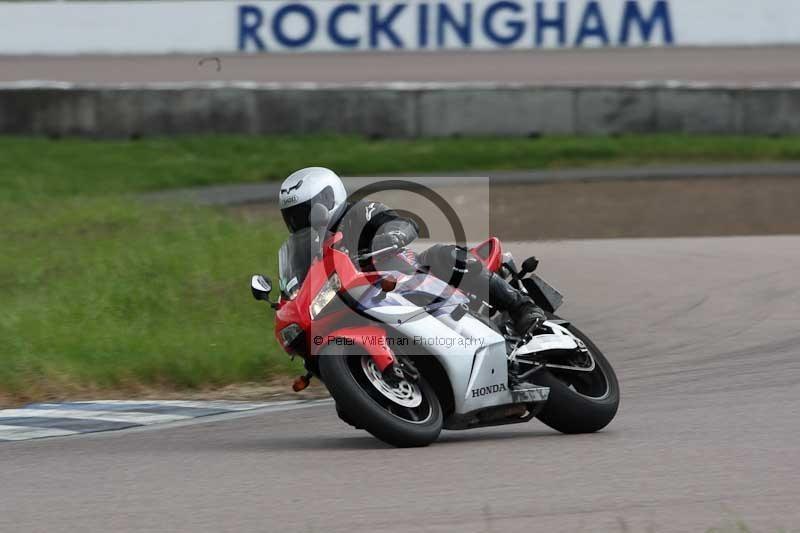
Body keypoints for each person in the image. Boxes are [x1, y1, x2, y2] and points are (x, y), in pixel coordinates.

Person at [278, 167, 546, 380]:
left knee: (442, 254)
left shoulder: (360, 211)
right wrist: (289, 299)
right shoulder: (309, 250)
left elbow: (403, 223)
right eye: (293, 215)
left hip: (408, 275)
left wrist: (394, 234)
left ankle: (522, 307)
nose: (302, 220)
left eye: (309, 210)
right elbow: (304, 284)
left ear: (329, 199)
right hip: (367, 304)